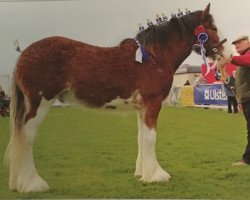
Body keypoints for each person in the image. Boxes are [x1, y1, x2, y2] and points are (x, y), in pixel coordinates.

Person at [221, 35, 250, 166]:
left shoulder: (246, 56)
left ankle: (247, 160)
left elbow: (246, 60)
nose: (236, 46)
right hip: (246, 100)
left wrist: (230, 58)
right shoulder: (242, 60)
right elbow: (240, 84)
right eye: (235, 44)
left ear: (247, 42)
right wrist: (239, 101)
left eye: (239, 43)